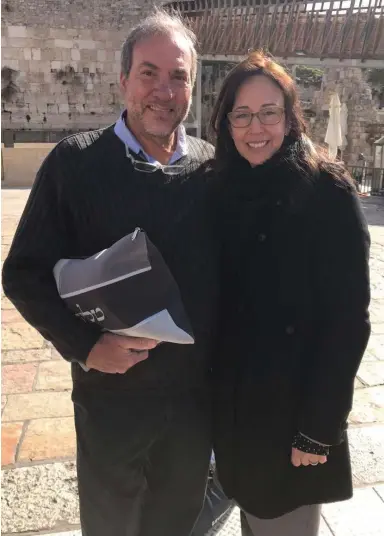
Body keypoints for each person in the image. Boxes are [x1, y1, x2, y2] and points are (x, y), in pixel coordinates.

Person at [2, 11, 219, 536]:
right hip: (112, 404)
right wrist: (84, 345)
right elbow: (23, 273)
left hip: (193, 407)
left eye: (179, 76)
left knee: (177, 522)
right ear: (123, 80)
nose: (164, 91)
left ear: (193, 85)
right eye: (149, 73)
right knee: (110, 525)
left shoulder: (213, 168)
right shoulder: (75, 163)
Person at [210, 51, 371, 536]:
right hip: (237, 418)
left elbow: (348, 321)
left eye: (269, 112)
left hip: (294, 421)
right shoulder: (220, 189)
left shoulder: (327, 191)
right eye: (242, 114)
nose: (255, 127)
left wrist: (319, 429)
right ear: (227, 122)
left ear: (291, 115)